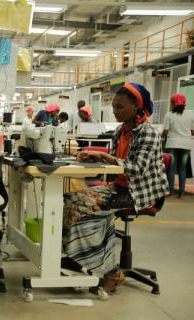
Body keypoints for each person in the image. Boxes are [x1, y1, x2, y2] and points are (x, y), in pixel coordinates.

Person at [64, 83, 169, 294]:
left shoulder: (147, 133)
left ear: (135, 106)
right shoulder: (121, 131)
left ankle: (111, 272)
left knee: (88, 206)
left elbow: (137, 170)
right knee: (69, 199)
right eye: (113, 106)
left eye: (120, 107)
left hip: (139, 193)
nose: (115, 111)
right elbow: (116, 164)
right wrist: (94, 156)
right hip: (120, 187)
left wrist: (105, 156)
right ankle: (79, 255)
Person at [162, 93, 194, 198]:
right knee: (182, 169)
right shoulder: (191, 114)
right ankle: (181, 192)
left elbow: (165, 132)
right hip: (186, 144)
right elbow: (193, 131)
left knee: (171, 168)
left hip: (172, 144)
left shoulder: (169, 114)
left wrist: (161, 136)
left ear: (173, 103)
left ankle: (170, 192)